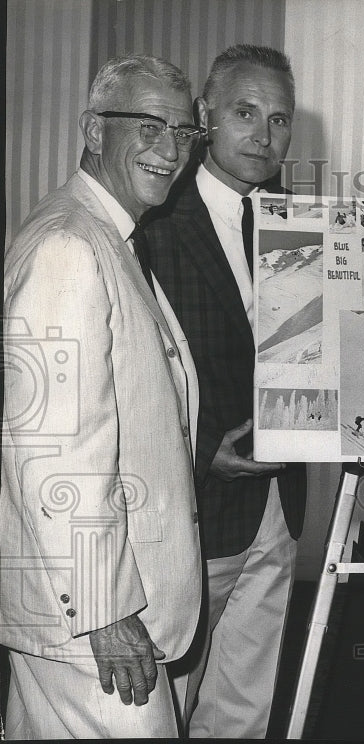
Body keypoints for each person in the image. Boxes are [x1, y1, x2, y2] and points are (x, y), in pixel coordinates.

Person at [1, 54, 202, 738]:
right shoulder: (69, 246)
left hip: (89, 614)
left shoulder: (107, 235)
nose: (171, 150)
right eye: (149, 126)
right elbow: (55, 451)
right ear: (93, 131)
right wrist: (104, 609)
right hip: (96, 622)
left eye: (183, 132)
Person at [143, 44, 306, 738]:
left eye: (278, 120)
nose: (263, 136)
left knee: (244, 706)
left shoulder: (301, 223)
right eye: (245, 113)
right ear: (207, 114)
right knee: (159, 703)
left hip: (279, 503)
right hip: (191, 503)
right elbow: (137, 361)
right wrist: (205, 447)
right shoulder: (153, 219)